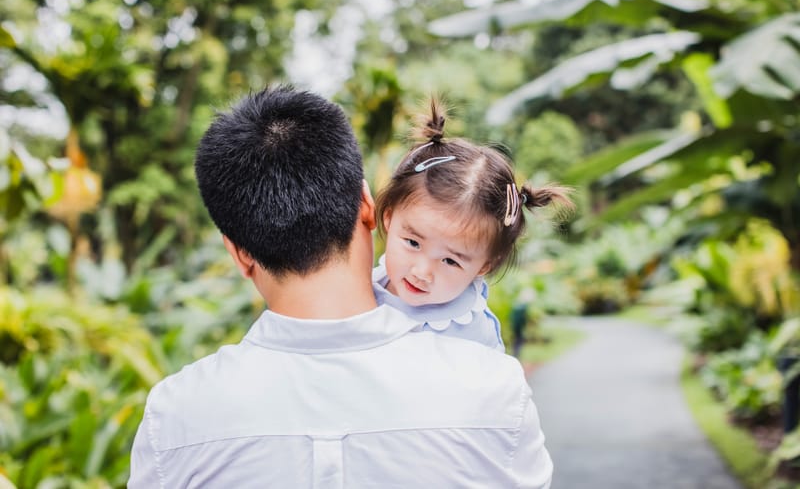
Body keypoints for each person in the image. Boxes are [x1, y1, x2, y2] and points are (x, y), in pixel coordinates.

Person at [128, 85, 553, 488]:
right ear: (369, 207)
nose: (425, 270)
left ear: (239, 253)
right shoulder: (495, 389)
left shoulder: (176, 415)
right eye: (414, 242)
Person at [373, 99, 571, 352]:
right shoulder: (359, 288)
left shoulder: (472, 334)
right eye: (413, 243)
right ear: (389, 217)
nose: (422, 272)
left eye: (450, 261)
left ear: (484, 266)